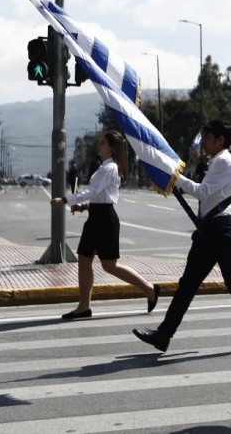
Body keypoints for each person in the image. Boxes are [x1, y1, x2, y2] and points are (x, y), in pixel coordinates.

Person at [132, 120, 231, 354]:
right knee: (189, 284)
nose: (204, 142)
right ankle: (164, 334)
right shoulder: (219, 162)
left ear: (220, 140)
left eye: (207, 138)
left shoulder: (225, 162)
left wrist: (174, 177)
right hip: (212, 231)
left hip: (220, 231)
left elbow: (204, 192)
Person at [50, 130, 159, 320]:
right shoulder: (104, 167)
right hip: (96, 217)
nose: (99, 146)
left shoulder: (110, 168)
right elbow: (99, 195)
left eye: (102, 143)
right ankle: (83, 307)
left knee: (109, 265)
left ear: (111, 147)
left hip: (105, 219)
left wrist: (65, 200)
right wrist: (84, 206)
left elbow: (93, 191)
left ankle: (149, 289)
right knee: (84, 260)